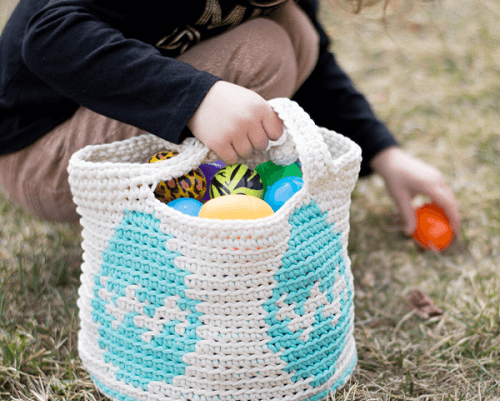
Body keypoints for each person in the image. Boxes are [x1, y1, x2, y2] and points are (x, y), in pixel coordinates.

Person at [0, 0, 460, 237]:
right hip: (44, 157)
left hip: (91, 131)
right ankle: (192, 226)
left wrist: (385, 153)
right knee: (264, 50)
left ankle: (204, 202)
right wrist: (197, 98)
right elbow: (49, 32)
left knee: (295, 29)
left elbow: (317, 66)